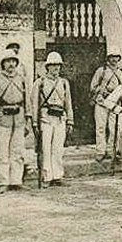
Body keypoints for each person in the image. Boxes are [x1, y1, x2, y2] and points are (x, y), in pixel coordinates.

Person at [0, 51, 32, 193]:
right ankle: (4, 181)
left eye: (13, 61)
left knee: (17, 151)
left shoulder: (22, 79)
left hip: (19, 118)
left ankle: (16, 181)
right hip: (3, 119)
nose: (11, 64)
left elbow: (27, 101)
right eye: (8, 61)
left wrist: (28, 120)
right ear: (3, 63)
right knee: (3, 152)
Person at [32, 52, 74, 188]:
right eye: (53, 65)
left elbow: (68, 103)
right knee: (45, 148)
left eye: (58, 66)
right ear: (47, 67)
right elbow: (34, 104)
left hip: (60, 117)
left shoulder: (64, 83)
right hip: (45, 118)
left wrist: (70, 120)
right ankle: (47, 176)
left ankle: (57, 176)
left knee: (58, 149)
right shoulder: (40, 82)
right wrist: (34, 122)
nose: (56, 68)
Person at [91, 53, 122, 161]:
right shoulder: (102, 71)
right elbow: (93, 86)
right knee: (101, 127)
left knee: (115, 128)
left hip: (115, 103)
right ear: (108, 58)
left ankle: (111, 150)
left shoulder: (121, 72)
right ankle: (101, 151)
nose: (114, 59)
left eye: (116, 57)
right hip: (102, 101)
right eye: (112, 57)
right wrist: (101, 90)